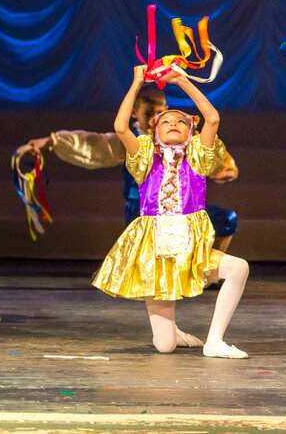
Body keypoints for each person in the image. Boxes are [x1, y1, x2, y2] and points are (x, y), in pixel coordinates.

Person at [93, 66, 249, 358]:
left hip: (192, 250)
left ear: (191, 132)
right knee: (165, 347)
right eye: (165, 121)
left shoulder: (197, 158)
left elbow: (213, 118)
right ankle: (170, 331)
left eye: (181, 121)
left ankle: (214, 341)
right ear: (154, 132)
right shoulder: (144, 158)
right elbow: (121, 128)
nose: (173, 123)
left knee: (238, 267)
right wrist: (137, 82)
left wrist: (181, 81)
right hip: (156, 253)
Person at [22, 85, 239, 254]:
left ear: (166, 110)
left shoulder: (178, 138)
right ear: (135, 113)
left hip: (178, 206)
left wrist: (224, 173)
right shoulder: (130, 141)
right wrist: (51, 141)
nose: (154, 118)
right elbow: (92, 144)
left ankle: (207, 273)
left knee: (225, 220)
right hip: (142, 210)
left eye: (159, 112)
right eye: (148, 113)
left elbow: (210, 157)